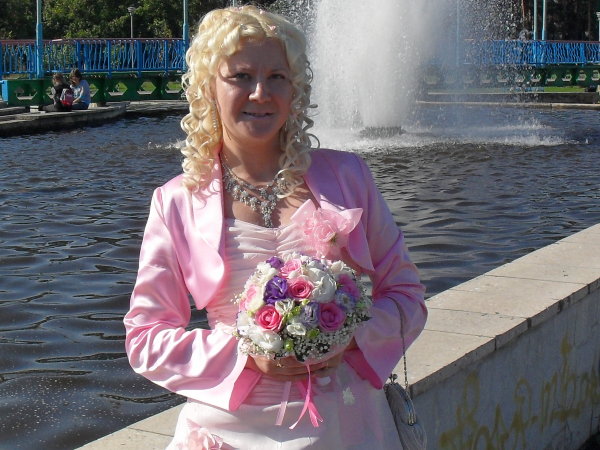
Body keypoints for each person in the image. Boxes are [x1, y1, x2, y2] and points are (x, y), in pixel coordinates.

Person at [124, 6, 427, 449]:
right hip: (229, 431)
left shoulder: (349, 177)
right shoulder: (176, 202)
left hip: (348, 424)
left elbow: (406, 296)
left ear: (295, 88)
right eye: (241, 76)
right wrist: (246, 355)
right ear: (209, 87)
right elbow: (145, 338)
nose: (261, 93)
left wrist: (347, 337)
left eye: (277, 77)